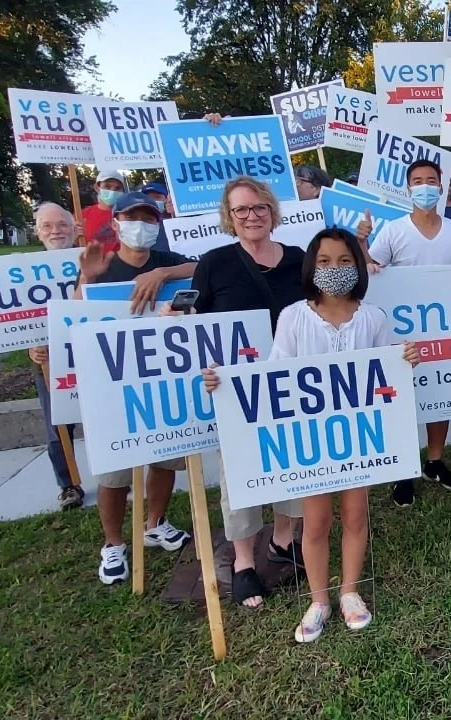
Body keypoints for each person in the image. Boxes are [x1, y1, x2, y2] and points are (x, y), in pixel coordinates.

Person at [201, 229, 420, 643]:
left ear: (357, 265)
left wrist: (407, 359)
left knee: (356, 517)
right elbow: (273, 376)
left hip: (357, 438)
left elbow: (389, 371)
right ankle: (319, 599)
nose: (334, 269)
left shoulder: (372, 317)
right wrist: (224, 383)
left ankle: (350, 592)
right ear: (310, 267)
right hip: (313, 446)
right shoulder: (294, 317)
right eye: (324, 261)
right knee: (315, 522)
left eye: (343, 261)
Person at [186, 173, 310, 608]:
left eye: (258, 207)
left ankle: (282, 540)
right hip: (238, 390)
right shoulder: (215, 264)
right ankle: (242, 562)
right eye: (241, 209)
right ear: (229, 217)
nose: (251, 216)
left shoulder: (299, 259)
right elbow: (191, 327)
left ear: (272, 212)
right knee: (240, 473)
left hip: (292, 384)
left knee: (293, 464)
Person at [76, 191, 198, 585]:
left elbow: (199, 265)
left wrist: (162, 274)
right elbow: (74, 318)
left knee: (165, 459)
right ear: (116, 223)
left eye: (149, 219)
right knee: (114, 473)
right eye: (132, 218)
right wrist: (87, 279)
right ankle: (113, 544)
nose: (141, 226)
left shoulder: (166, 261)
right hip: (114, 388)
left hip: (162, 385)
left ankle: (155, 523)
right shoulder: (101, 266)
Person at [360, 158, 451, 507]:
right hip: (404, 334)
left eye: (431, 180)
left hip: (445, 329)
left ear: (441, 187)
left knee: (441, 397)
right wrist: (362, 245)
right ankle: (403, 471)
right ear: (408, 188)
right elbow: (372, 270)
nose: (425, 186)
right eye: (417, 180)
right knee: (405, 402)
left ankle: (435, 462)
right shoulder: (393, 230)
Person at [26, 202, 84, 511]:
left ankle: (120, 477)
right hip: (49, 359)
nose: (55, 231)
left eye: (62, 224)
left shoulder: (94, 262)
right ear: (37, 231)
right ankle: (68, 485)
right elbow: (15, 322)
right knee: (57, 426)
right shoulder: (21, 272)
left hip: (92, 352)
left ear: (75, 229)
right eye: (47, 226)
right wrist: (31, 348)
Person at [82, 169, 128, 250]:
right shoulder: (83, 215)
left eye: (117, 188)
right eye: (107, 186)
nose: (112, 191)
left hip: (120, 261)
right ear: (97, 187)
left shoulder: (128, 214)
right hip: (93, 261)